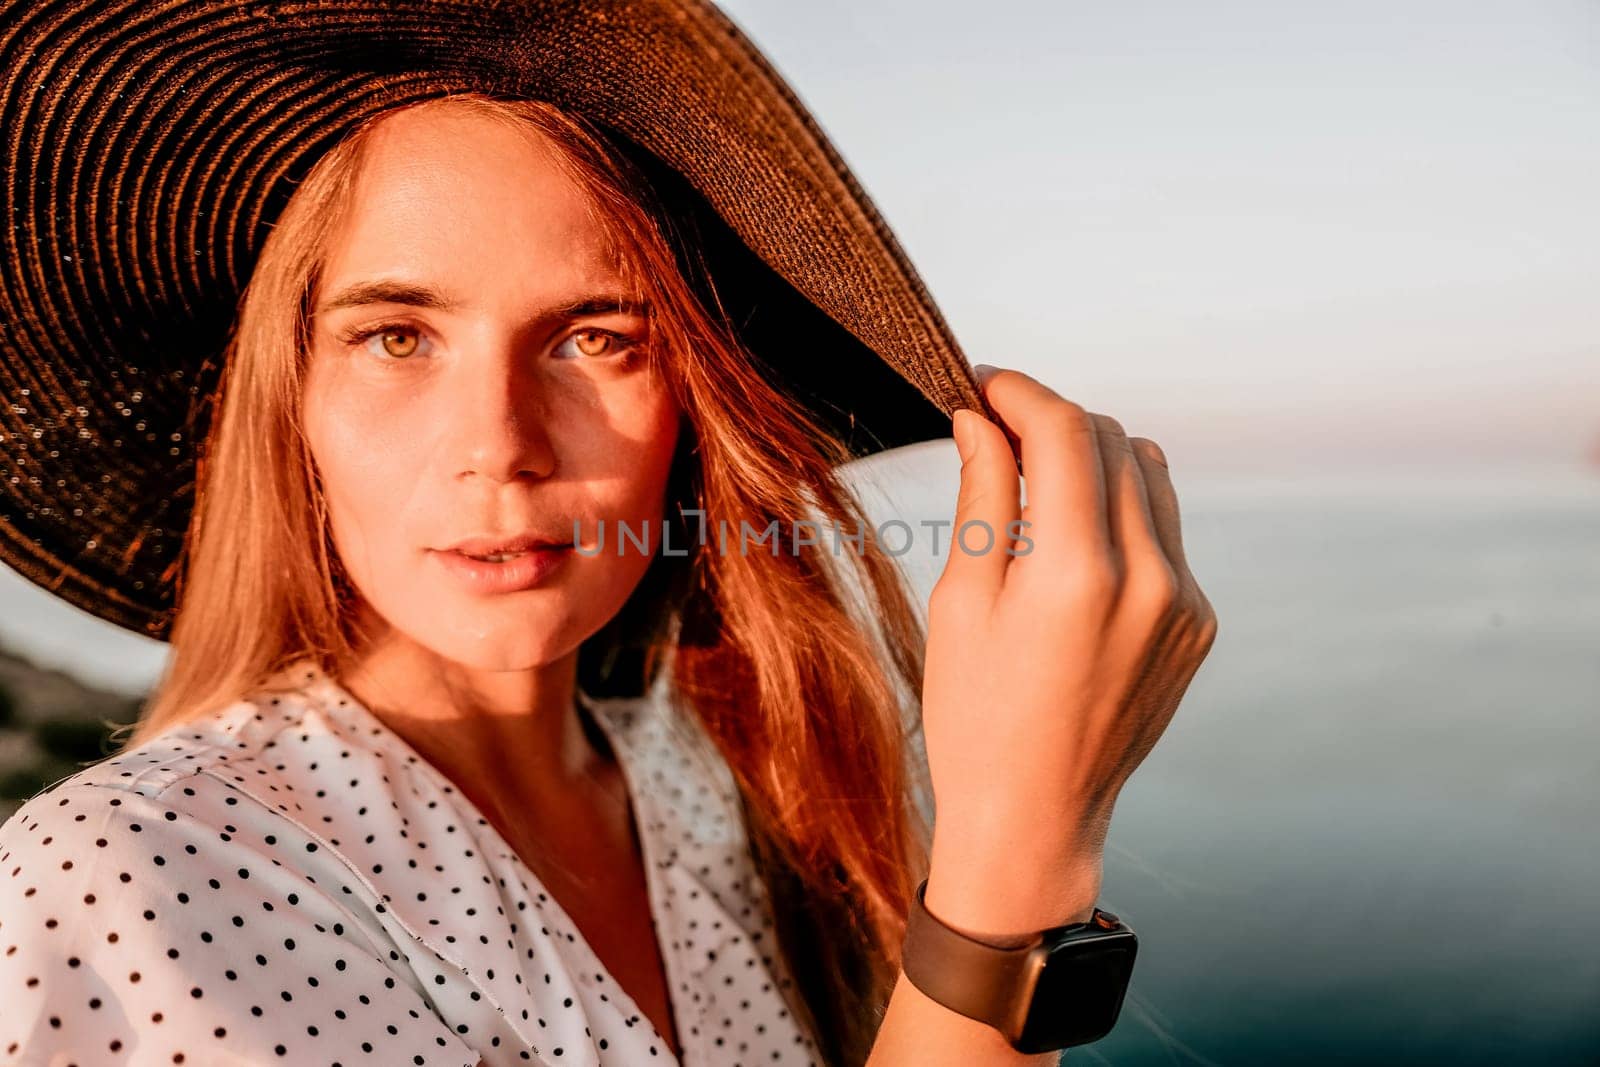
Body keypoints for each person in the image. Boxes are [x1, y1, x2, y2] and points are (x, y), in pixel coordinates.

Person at [0, 5, 1216, 1067]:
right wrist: (1015, 860)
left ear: (692, 408)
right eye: (396, 335)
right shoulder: (138, 882)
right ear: (291, 403)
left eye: (599, 337)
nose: (503, 443)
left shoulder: (708, 787)